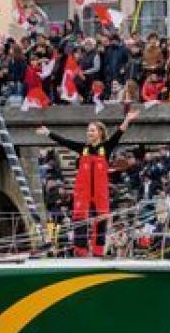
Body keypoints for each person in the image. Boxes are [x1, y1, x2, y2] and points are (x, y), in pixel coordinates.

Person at [36, 107, 139, 257]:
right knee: (80, 220)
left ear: (100, 133)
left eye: (92, 130)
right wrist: (48, 133)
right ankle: (81, 252)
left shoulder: (106, 147)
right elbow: (65, 142)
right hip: (82, 191)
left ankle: (98, 252)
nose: (89, 133)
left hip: (100, 191)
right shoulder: (83, 148)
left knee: (101, 220)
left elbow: (119, 133)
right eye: (88, 130)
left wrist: (127, 119)